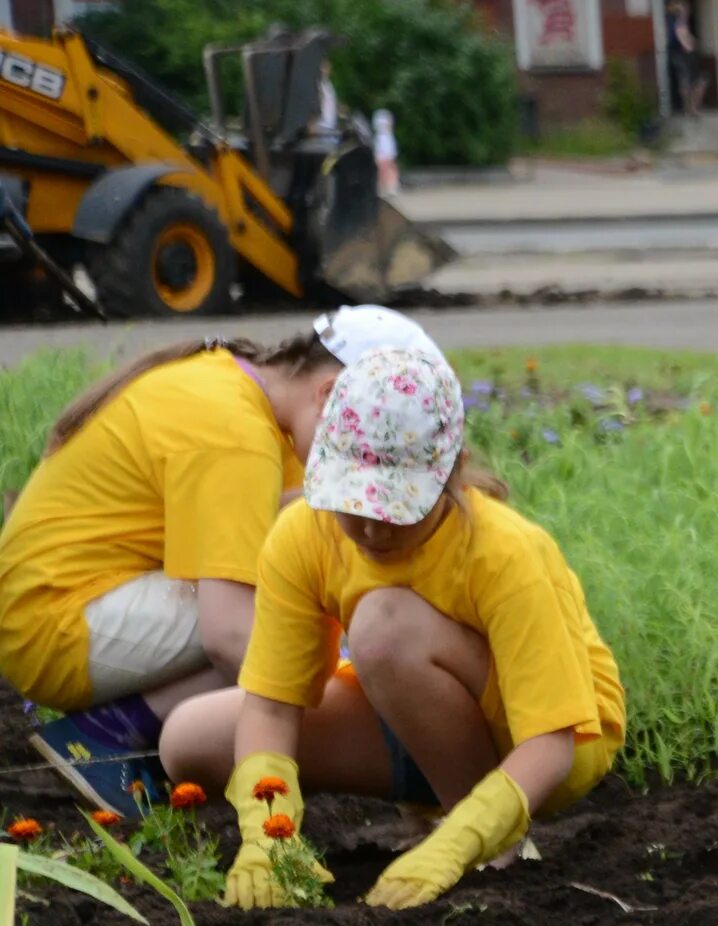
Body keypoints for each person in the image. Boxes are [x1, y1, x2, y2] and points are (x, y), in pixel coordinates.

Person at [157, 347, 626, 910]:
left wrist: (461, 841)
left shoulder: (506, 553)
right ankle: (437, 808)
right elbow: (272, 706)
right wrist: (268, 834)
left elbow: (551, 742)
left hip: (547, 745)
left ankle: (490, 845)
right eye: (353, 502)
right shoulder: (303, 534)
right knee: (190, 739)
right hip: (411, 709)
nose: (372, 530)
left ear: (450, 474)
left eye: (397, 508)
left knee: (384, 626)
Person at [0, 310, 435, 815]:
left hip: (71, 604)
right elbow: (229, 635)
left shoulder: (252, 400)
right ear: (330, 393)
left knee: (301, 567)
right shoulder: (234, 429)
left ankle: (126, 723)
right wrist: (352, 712)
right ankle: (113, 732)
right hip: (53, 624)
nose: (363, 462)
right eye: (368, 440)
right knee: (290, 620)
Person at [667, 0, 706, 117]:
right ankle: (691, 109)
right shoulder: (679, 23)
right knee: (695, 81)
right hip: (684, 55)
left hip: (679, 54)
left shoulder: (675, 22)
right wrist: (690, 44)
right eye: (685, 9)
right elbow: (682, 37)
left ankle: (689, 109)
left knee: (688, 81)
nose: (687, 11)